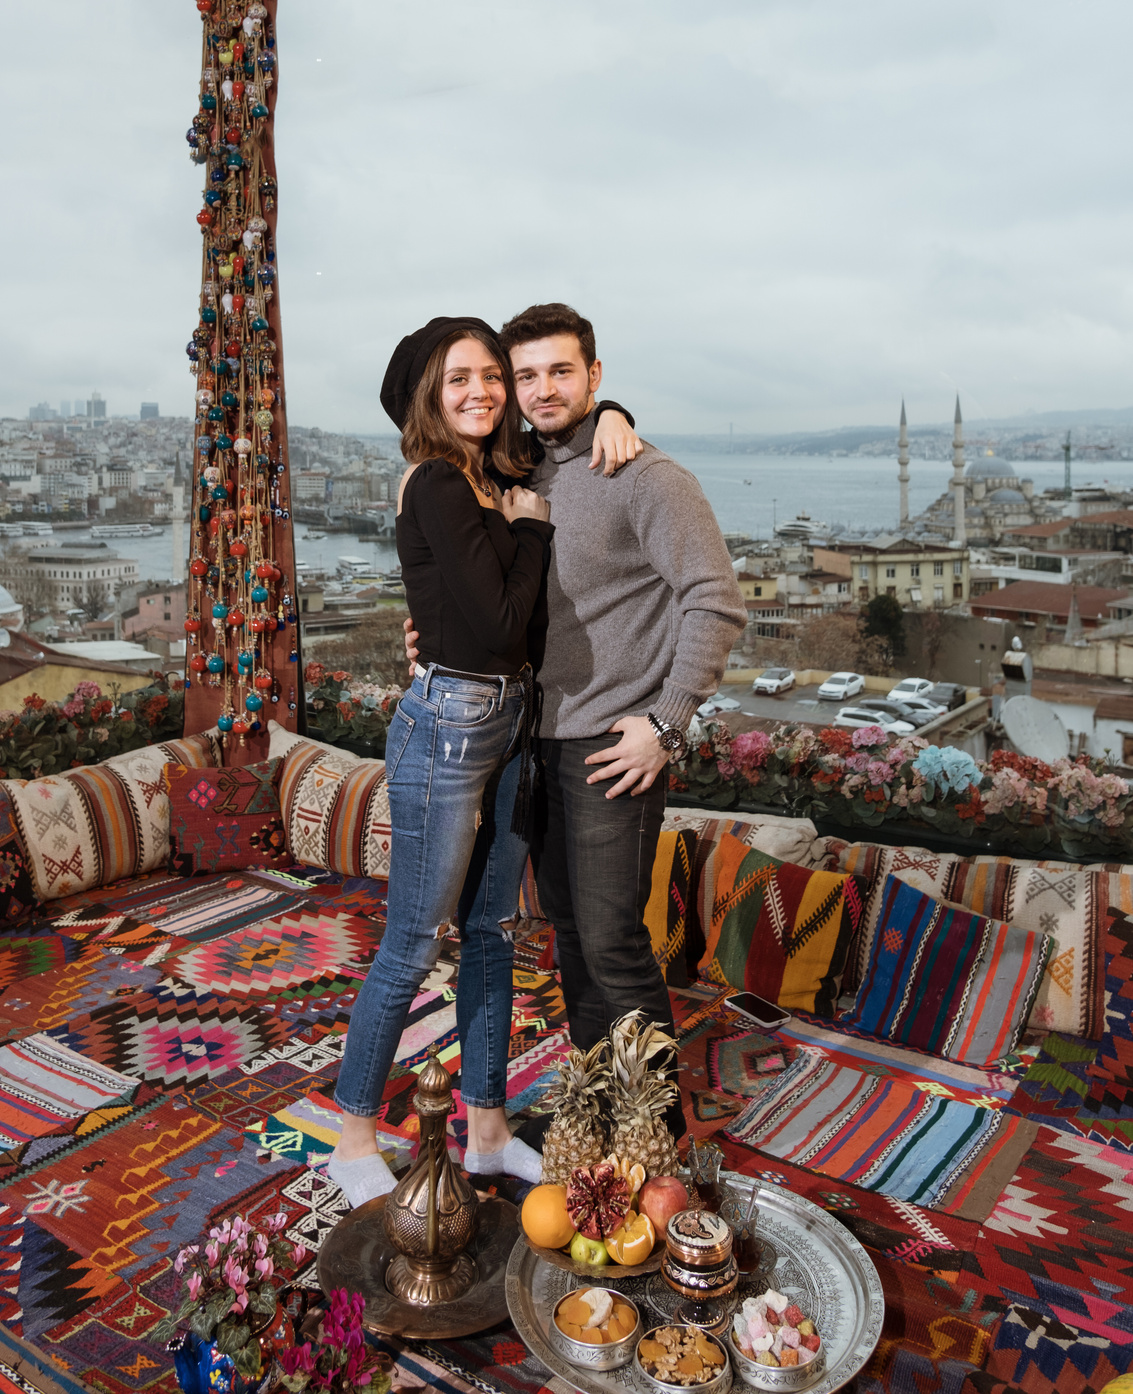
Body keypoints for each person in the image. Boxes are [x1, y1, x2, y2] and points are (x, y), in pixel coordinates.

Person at [407, 304, 745, 1143]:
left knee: (611, 943)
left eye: (561, 371)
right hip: (531, 740)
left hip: (610, 746)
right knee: (566, 936)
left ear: (595, 376)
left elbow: (715, 601)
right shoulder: (519, 469)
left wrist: (665, 725)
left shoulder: (648, 477)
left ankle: (651, 1138)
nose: (541, 388)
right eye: (525, 375)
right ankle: (599, 1106)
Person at [328, 316, 639, 1207]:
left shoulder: (490, 475)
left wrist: (610, 407)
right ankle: (353, 1136)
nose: (483, 391)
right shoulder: (436, 481)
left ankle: (489, 1130)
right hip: (451, 725)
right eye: (459, 378)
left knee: (494, 937)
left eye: (490, 377)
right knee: (415, 940)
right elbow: (502, 622)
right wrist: (532, 532)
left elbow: (504, 624)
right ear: (427, 394)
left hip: (508, 717)